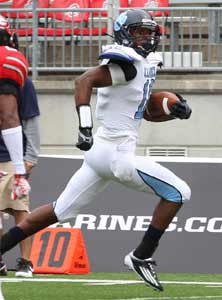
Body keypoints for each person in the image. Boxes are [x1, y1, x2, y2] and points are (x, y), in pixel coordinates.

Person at [0, 9, 191, 291]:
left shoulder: (145, 62)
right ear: (124, 33)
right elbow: (83, 81)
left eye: (149, 32)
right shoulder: (125, 63)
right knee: (179, 192)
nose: (145, 37)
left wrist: (172, 107)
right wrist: (84, 126)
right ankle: (141, 255)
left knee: (57, 211)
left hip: (101, 154)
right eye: (139, 31)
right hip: (114, 154)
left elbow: (143, 108)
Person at [0, 76, 40, 278]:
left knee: (20, 209)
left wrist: (30, 156)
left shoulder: (22, 80)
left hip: (13, 155)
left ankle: (26, 261)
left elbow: (30, 118)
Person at [0, 14, 31, 202]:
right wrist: (20, 171)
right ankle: (19, 175)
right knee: (9, 115)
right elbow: (8, 117)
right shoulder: (7, 58)